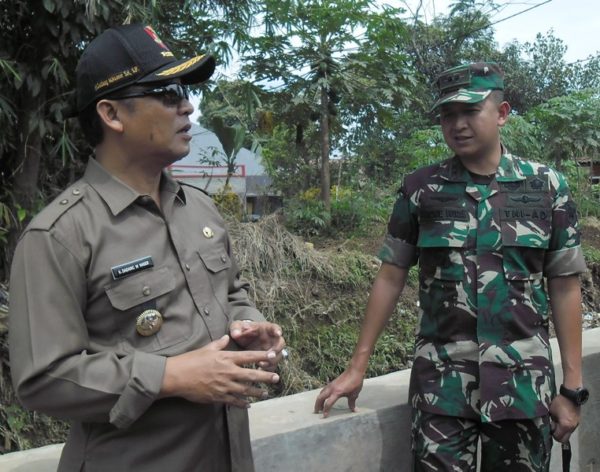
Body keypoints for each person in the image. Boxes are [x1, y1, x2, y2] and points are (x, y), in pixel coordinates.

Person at [9, 23, 285, 472]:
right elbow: (42, 378)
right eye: (168, 92)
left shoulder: (200, 210)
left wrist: (250, 325)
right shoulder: (60, 235)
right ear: (112, 114)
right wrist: (170, 377)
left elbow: (232, 293)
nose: (187, 106)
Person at [314, 62, 589, 471]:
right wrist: (358, 368)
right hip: (442, 389)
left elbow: (565, 288)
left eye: (469, 111)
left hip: (524, 387)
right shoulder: (420, 189)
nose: (457, 124)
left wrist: (572, 388)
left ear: (502, 112)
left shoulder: (546, 187)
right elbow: (391, 277)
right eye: (447, 114)